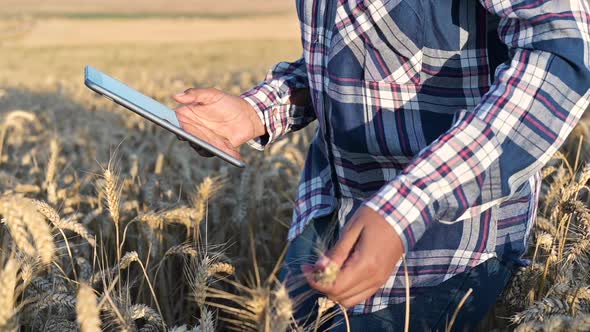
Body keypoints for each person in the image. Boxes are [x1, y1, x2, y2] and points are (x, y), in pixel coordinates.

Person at [173, 1, 590, 330]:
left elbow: (565, 52)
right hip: (328, 213)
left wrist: (411, 204)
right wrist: (259, 112)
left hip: (444, 242)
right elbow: (348, 54)